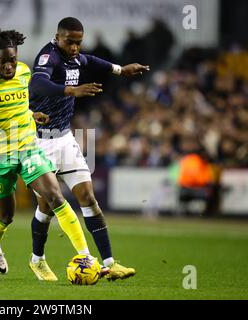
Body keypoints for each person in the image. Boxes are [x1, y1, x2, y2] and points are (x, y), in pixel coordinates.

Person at [0, 29, 96, 275]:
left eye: (12, 60)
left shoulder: (25, 71)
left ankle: (86, 257)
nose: (8, 66)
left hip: (28, 146)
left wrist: (30, 114)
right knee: (6, 216)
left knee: (55, 196)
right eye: (2, 61)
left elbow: (18, 105)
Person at [28, 17, 150, 281]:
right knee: (47, 207)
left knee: (88, 198)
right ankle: (37, 260)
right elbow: (37, 84)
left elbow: (91, 61)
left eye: (78, 43)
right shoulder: (48, 57)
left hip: (64, 138)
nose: (74, 47)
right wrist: (72, 90)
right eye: (69, 42)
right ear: (57, 37)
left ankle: (109, 263)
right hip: (37, 142)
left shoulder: (76, 57)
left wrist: (120, 69)